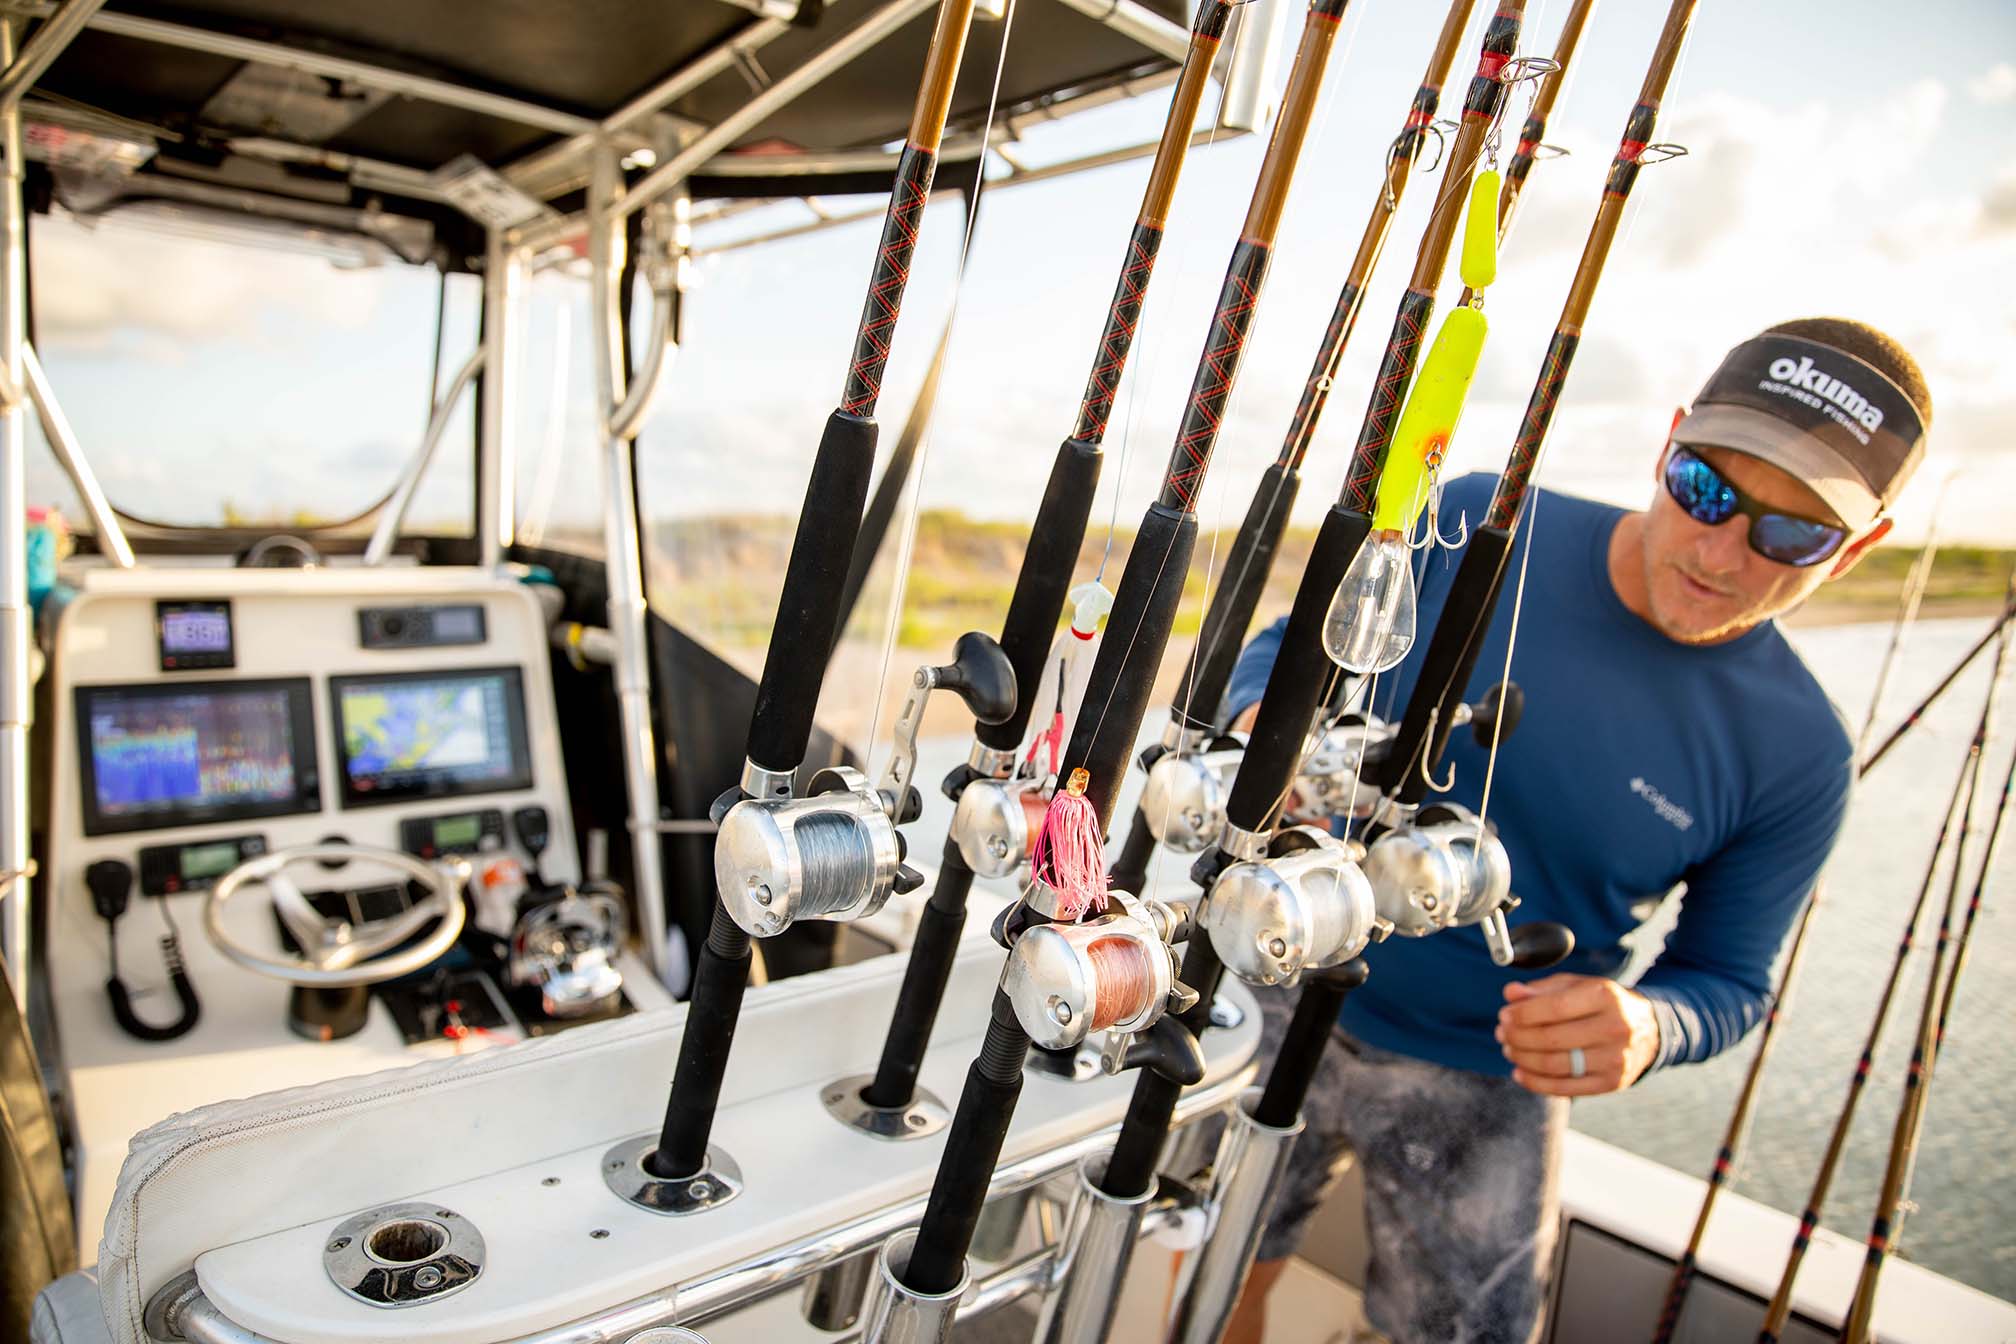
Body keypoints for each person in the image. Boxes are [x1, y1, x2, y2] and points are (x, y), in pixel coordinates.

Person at [1216, 317, 1932, 1344]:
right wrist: (1259, 726)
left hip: (1485, 1073)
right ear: (1668, 442)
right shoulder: (1474, 520)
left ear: (1858, 548)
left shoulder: (1800, 756)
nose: (1723, 552)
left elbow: (1727, 982)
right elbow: (1294, 646)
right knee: (1218, 1272)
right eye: (1708, 490)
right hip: (1278, 979)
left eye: (1791, 533)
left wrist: (1647, 1028)